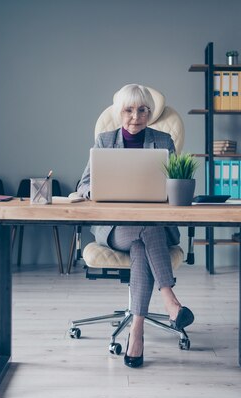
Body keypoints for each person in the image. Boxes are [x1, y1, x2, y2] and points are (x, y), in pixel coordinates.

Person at [76, 84, 194, 368]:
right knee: (146, 232)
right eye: (129, 110)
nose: (136, 116)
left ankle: (136, 331)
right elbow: (83, 184)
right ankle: (169, 300)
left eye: (143, 110)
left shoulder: (163, 141)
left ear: (149, 113)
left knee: (145, 240)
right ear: (119, 113)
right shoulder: (104, 141)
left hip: (151, 229)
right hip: (116, 229)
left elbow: (176, 181)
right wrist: (93, 190)